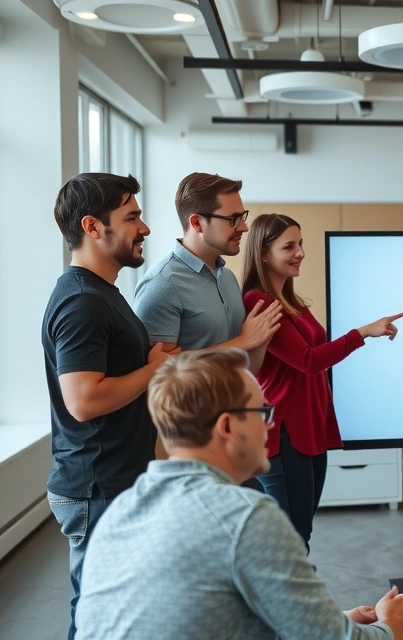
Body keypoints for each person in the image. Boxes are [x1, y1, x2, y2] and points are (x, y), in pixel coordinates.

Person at [75, 349, 403, 640]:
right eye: (262, 412)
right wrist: (390, 627)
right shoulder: (244, 516)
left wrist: (331, 619)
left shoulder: (120, 511)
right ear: (227, 426)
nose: (269, 425)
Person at [42, 173, 179, 639]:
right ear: (93, 226)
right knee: (98, 616)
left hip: (114, 480)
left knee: (119, 611)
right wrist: (155, 369)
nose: (145, 228)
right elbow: (83, 400)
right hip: (98, 487)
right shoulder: (83, 301)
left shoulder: (101, 293)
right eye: (132, 217)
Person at [240, 213, 403, 548]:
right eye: (289, 246)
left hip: (308, 428)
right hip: (285, 433)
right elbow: (308, 361)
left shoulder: (292, 302)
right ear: (263, 253)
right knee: (291, 539)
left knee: (301, 533)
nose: (300, 252)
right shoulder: (258, 301)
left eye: (300, 243)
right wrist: (363, 332)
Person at [133, 172, 281, 482]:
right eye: (233, 219)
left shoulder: (227, 278)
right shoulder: (162, 286)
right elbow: (160, 378)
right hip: (191, 451)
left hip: (234, 436)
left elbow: (242, 367)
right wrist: (242, 341)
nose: (244, 227)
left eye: (243, 216)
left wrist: (261, 338)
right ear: (197, 223)